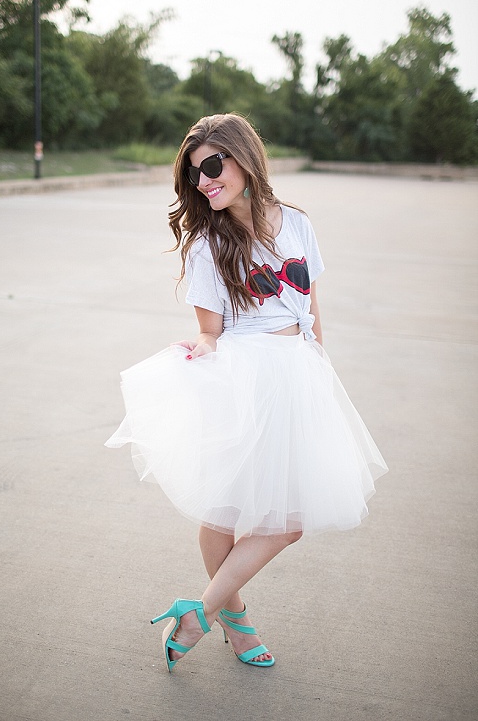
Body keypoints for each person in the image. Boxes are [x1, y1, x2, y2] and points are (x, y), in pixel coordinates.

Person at [106, 113, 388, 673]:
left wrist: (321, 367)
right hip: (247, 375)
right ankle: (232, 620)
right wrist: (199, 350)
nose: (206, 181)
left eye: (214, 165)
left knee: (286, 521)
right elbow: (211, 330)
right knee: (228, 513)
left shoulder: (298, 224)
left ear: (245, 159)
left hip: (299, 373)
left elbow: (310, 308)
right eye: (195, 175)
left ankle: (199, 612)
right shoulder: (209, 246)